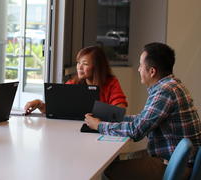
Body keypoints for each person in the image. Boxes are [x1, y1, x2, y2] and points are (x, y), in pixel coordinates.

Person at [85, 42, 201, 179]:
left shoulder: (165, 92)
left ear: (152, 71)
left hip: (175, 166)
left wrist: (99, 126)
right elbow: (143, 119)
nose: (139, 69)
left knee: (108, 171)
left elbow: (136, 131)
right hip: (176, 159)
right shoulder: (172, 85)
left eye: (141, 65)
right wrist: (114, 118)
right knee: (120, 160)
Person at [24, 46, 127, 114]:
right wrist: (39, 103)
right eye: (78, 62)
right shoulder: (73, 83)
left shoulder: (111, 83)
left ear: (97, 67)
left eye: (85, 64)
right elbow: (56, 109)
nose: (79, 67)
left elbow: (120, 110)